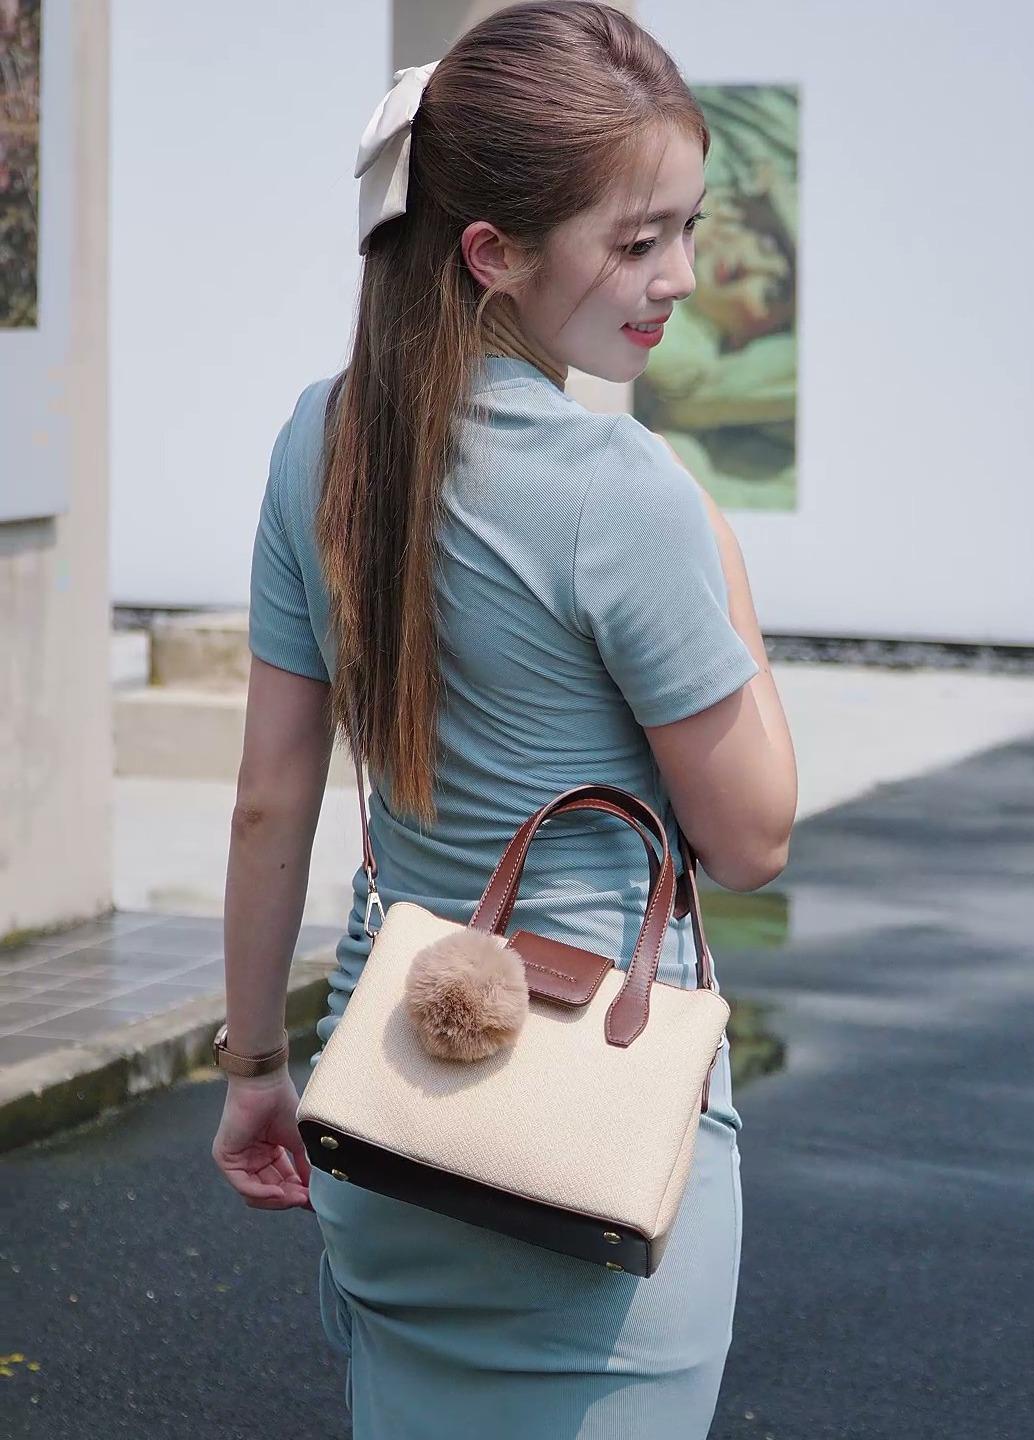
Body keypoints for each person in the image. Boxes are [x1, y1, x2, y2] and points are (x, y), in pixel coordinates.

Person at [210, 3, 797, 1436]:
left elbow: (270, 796)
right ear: (493, 253)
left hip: (388, 1090)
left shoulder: (318, 438)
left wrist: (256, 1071)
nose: (678, 276)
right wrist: (721, 555)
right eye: (637, 240)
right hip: (597, 1111)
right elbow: (752, 837)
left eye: (688, 228)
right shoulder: (628, 492)